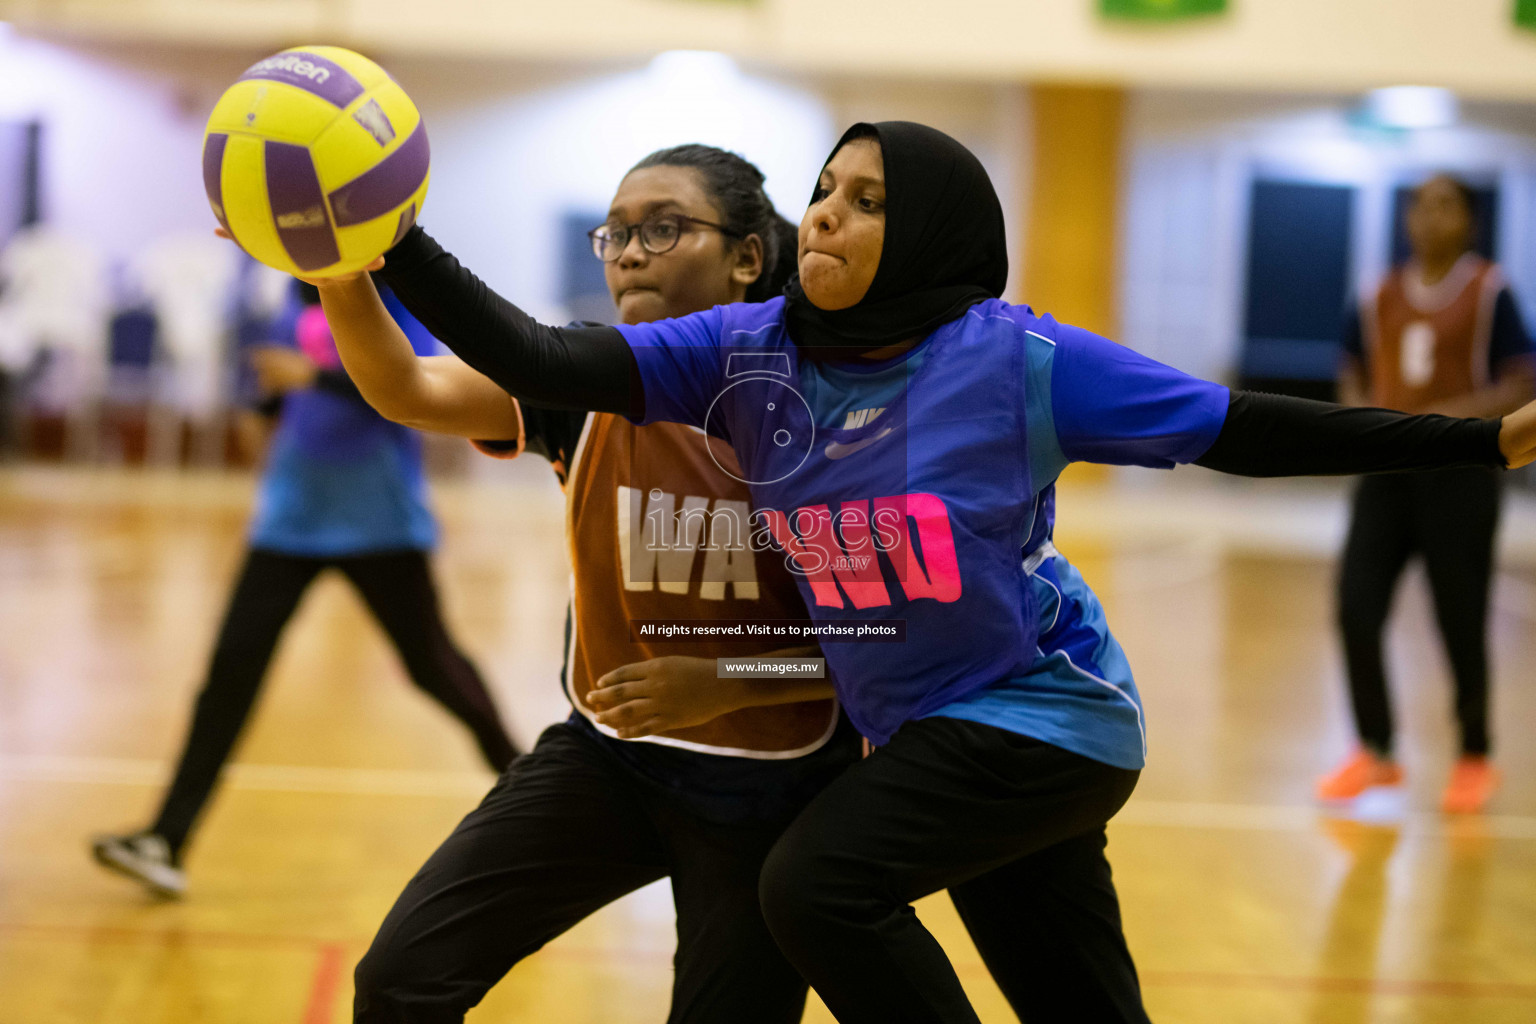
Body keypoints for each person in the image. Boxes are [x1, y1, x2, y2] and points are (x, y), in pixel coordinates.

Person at [305, 122, 1536, 1024]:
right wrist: (367, 238)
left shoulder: (1011, 363)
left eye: (865, 198)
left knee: (818, 888)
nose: (828, 214)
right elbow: (505, 353)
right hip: (855, 735)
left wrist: (1479, 441)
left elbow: (1243, 428)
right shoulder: (729, 355)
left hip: (985, 719)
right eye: (825, 192)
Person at [341, 145, 863, 1024]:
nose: (628, 251)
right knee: (401, 979)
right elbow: (406, 388)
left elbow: (885, 646)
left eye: (663, 229)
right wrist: (338, 269)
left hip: (774, 787)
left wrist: (724, 680)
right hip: (608, 759)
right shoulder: (580, 382)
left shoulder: (832, 411)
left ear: (745, 258)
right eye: (615, 232)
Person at [91, 281, 519, 899]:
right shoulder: (293, 304)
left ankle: (529, 782)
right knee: (229, 675)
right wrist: (262, 408)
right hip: (290, 518)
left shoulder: (394, 302)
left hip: (378, 519)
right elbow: (280, 390)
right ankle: (165, 839)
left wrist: (308, 379)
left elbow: (414, 393)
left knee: (435, 666)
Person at [1318, 173, 1535, 814]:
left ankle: (1474, 755)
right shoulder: (1376, 293)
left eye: (1447, 204)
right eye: (1421, 203)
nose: (1431, 215)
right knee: (1356, 607)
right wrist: (1367, 425)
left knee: (1460, 619)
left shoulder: (1491, 292)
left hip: (1459, 482)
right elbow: (1349, 370)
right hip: (1387, 479)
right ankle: (1376, 750)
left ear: (1468, 220)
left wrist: (1441, 427)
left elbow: (1521, 381)